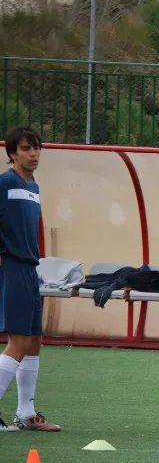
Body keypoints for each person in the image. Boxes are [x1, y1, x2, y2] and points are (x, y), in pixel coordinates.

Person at [0, 126, 59, 432]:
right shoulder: (5, 183)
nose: (33, 153)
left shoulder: (32, 186)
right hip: (12, 267)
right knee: (19, 341)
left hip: (29, 270)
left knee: (34, 341)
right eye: (25, 148)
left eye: (36, 148)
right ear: (12, 153)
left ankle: (26, 413)